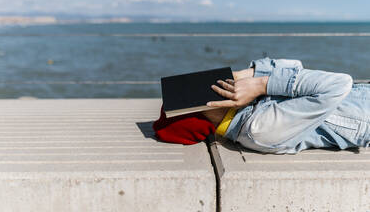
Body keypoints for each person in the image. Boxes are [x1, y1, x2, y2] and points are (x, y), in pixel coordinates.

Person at [153, 57, 370, 154]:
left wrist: (243, 76)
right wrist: (260, 84)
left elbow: (293, 66)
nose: (211, 81)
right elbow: (338, 84)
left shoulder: (248, 106)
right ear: (207, 110)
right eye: (206, 89)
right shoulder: (259, 128)